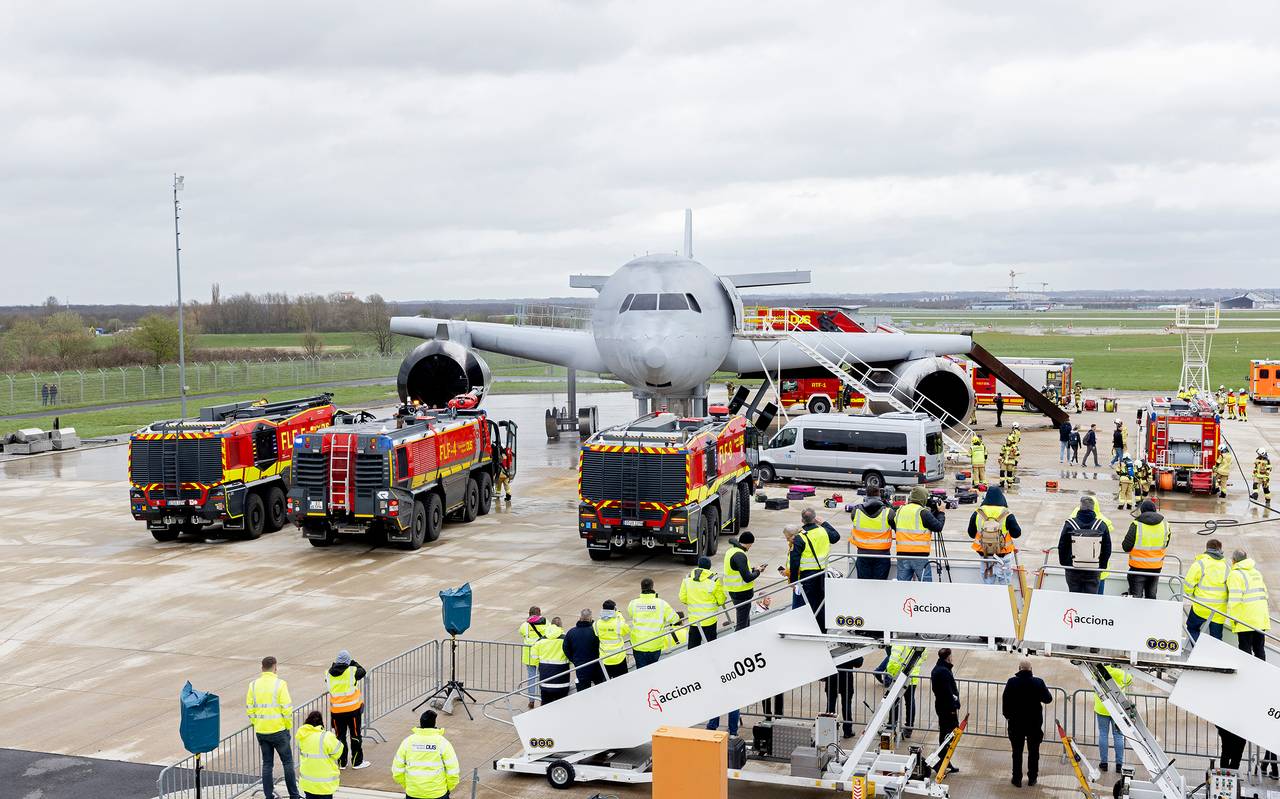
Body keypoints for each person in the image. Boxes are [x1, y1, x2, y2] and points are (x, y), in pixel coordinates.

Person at [246, 656, 301, 799]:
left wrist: (257, 723)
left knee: (267, 764)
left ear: (262, 668)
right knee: (288, 763)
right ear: (275, 667)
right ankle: (294, 795)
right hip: (279, 730)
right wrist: (287, 726)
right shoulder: (280, 684)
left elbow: (249, 708)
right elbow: (287, 709)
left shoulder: (253, 685)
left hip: (261, 731)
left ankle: (268, 795)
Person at [1001, 659, 1053, 787]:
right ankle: (1032, 778)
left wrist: (1008, 716)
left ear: (1019, 668)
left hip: (1015, 723)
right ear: (1031, 669)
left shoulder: (1012, 682)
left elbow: (1005, 701)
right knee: (1034, 752)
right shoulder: (1038, 682)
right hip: (1034, 724)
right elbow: (1048, 699)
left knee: (1017, 752)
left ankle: (1017, 778)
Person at [789, 508, 841, 631]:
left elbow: (794, 561)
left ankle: (808, 629)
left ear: (802, 520)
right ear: (815, 518)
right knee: (822, 602)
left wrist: (793, 580)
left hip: (808, 575)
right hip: (823, 573)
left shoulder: (800, 537)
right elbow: (836, 537)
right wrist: (823, 523)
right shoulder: (824, 531)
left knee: (808, 604)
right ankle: (822, 630)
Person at [392, 710, 460, 799]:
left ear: (420, 723)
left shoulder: (408, 742)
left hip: (413, 792)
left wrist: (409, 786)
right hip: (437, 793)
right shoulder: (442, 742)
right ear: (434, 724)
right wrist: (447, 788)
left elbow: (397, 770)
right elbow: (453, 772)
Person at [967, 486, 1022, 585]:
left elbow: (971, 533)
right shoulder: (1007, 513)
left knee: (988, 584)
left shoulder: (978, 513)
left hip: (985, 556)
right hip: (1003, 555)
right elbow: (1017, 533)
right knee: (1005, 585)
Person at [1058, 496, 1111, 594]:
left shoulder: (1070, 524)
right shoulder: (1101, 525)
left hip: (1073, 569)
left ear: (1080, 507)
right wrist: (1101, 566)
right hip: (1093, 569)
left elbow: (1062, 546)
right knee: (1091, 600)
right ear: (1093, 508)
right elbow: (1107, 548)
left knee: (1075, 598)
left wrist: (1066, 564)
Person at [326, 649, 369, 770]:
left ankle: (342, 762)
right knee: (355, 736)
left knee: (340, 737)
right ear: (348, 662)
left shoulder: (328, 674)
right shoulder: (352, 671)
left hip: (336, 712)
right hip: (352, 710)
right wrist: (352, 662)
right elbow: (362, 671)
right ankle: (357, 762)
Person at [1227, 550, 1270, 660]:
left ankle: (1247, 675)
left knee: (1245, 650)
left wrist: (1234, 620)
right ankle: (1261, 673)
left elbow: (1235, 600)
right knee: (1259, 649)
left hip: (1245, 619)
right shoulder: (1256, 572)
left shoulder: (1235, 574)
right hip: (1260, 618)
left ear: (1233, 560)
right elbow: (1265, 594)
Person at [896, 487, 945, 581]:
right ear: (923, 499)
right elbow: (938, 527)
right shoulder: (922, 512)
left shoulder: (899, 510)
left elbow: (896, 526)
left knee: (901, 586)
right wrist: (941, 513)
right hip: (919, 556)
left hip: (902, 555)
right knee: (926, 586)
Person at [1123, 499, 1170, 599]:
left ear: (1142, 511)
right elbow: (1166, 544)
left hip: (1137, 568)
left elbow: (1126, 547)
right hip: (1156, 568)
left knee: (1136, 597)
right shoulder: (1165, 524)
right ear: (1155, 510)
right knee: (1151, 597)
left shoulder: (1136, 525)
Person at [627, 578, 679, 665]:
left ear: (641, 588)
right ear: (652, 587)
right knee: (653, 670)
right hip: (654, 644)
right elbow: (675, 619)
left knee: (641, 672)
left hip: (638, 644)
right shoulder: (661, 603)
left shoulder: (633, 603)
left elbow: (631, 614)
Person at [1184, 540, 1228, 642]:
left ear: (1207, 548)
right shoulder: (1226, 567)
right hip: (1218, 610)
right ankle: (1212, 656)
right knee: (1216, 638)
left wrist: (1193, 596)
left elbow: (1188, 584)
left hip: (1201, 607)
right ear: (1220, 549)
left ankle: (1196, 650)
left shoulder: (1200, 563)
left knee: (1192, 628)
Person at [850, 487, 896, 580]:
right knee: (880, 585)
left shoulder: (856, 510)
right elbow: (897, 528)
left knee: (864, 584)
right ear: (879, 495)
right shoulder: (888, 512)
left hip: (863, 553)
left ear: (866, 495)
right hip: (882, 554)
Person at [680, 557, 727, 647]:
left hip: (694, 621)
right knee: (711, 648)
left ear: (699, 565)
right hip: (709, 620)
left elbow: (682, 598)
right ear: (709, 567)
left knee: (693, 649)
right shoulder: (714, 580)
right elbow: (721, 600)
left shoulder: (688, 578)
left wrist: (692, 601)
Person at [722, 532, 764, 630]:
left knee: (745, 620)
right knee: (742, 623)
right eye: (751, 545)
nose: (750, 547)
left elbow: (737, 571)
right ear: (749, 543)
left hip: (734, 591)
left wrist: (753, 569)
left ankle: (745, 640)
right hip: (741, 592)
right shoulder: (740, 555)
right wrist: (758, 571)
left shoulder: (731, 551)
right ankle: (740, 642)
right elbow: (747, 578)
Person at [1093, 665, 1131, 773]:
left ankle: (1104, 762)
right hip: (1117, 708)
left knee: (1103, 734)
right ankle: (1119, 764)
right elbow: (1129, 680)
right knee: (1118, 736)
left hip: (1102, 707)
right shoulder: (1120, 673)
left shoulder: (1096, 671)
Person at [297, 710, 343, 799]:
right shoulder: (326, 736)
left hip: (308, 783)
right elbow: (338, 752)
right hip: (324, 785)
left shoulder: (302, 737)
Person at [931, 649, 961, 774]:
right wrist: (954, 704)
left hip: (942, 707)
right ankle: (940, 761)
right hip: (947, 709)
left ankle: (945, 761)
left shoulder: (938, 669)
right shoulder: (943, 672)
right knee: (950, 735)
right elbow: (948, 692)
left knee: (945, 734)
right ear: (948, 657)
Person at [880, 645, 920, 738]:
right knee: (910, 702)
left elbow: (893, 661)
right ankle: (909, 728)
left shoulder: (899, 643)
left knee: (894, 702)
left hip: (898, 677)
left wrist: (891, 674)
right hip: (913, 677)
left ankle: (892, 725)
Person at [562, 608, 603, 691]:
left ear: (580, 618)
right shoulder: (595, 631)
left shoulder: (571, 632)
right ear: (590, 618)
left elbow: (565, 648)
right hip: (596, 665)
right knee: (601, 690)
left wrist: (574, 660)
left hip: (581, 667)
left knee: (584, 692)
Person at [533, 616, 570, 704]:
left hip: (545, 678)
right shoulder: (565, 639)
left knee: (545, 706)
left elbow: (534, 656)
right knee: (561, 706)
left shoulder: (540, 640)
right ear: (561, 627)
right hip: (562, 679)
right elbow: (571, 655)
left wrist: (540, 666)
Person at [518, 608, 547, 709]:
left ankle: (531, 701)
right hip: (541, 654)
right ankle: (543, 699)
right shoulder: (545, 623)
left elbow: (521, 633)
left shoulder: (524, 625)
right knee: (542, 678)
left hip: (529, 656)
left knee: (531, 678)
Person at [593, 600, 630, 678]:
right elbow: (626, 630)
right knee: (623, 680)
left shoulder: (596, 624)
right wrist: (619, 615)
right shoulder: (618, 623)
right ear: (614, 609)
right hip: (619, 657)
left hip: (605, 659)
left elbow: (597, 634)